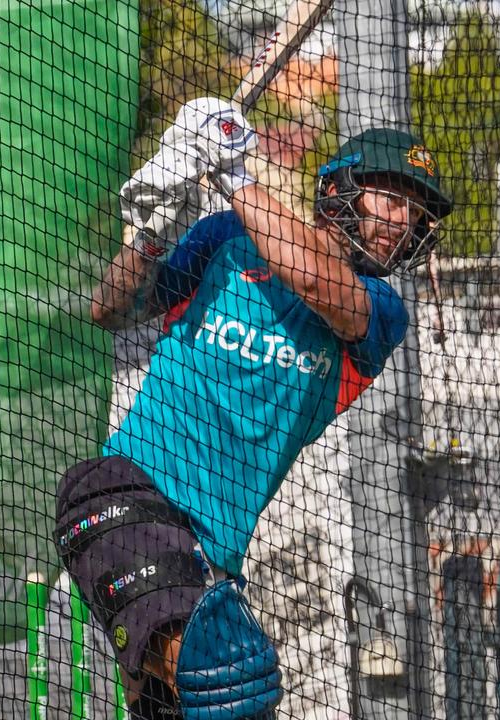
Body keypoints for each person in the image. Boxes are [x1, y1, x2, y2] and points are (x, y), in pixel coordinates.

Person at [51, 97, 452, 720]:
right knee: (220, 676)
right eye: (392, 197)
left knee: (236, 692)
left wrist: (234, 171)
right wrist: (153, 230)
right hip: (126, 495)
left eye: (415, 212)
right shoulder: (224, 238)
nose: (403, 220)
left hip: (214, 560)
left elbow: (314, 280)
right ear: (342, 185)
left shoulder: (382, 310)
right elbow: (109, 308)